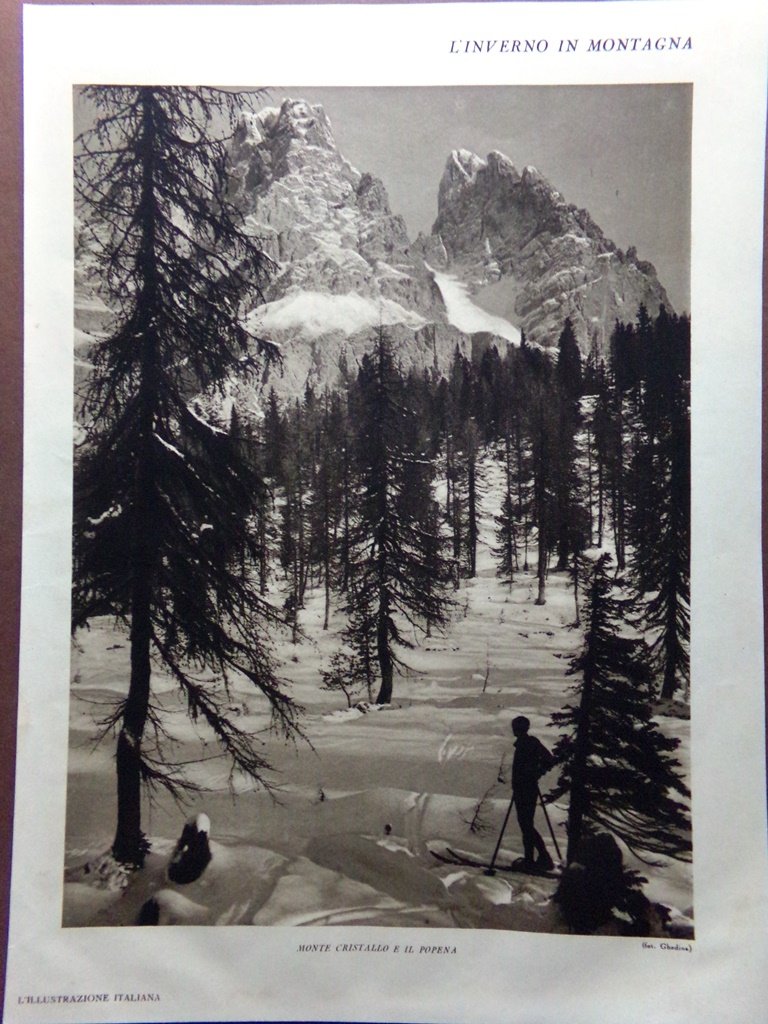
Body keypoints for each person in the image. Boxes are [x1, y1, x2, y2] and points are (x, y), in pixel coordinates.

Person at [511, 715, 555, 871]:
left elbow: (549, 760)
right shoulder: (528, 743)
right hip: (524, 788)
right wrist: (538, 771)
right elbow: (548, 760)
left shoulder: (528, 743)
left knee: (526, 825)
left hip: (526, 789)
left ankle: (542, 857)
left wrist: (537, 772)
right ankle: (532, 859)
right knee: (526, 825)